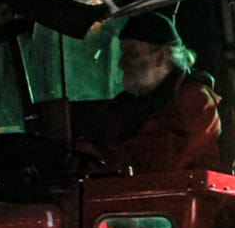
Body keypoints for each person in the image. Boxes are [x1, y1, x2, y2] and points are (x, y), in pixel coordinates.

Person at [82, 11, 221, 172]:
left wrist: (103, 158)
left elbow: (161, 162)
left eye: (131, 54)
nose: (121, 64)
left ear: (162, 56)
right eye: (123, 54)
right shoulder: (126, 104)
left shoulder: (195, 101)